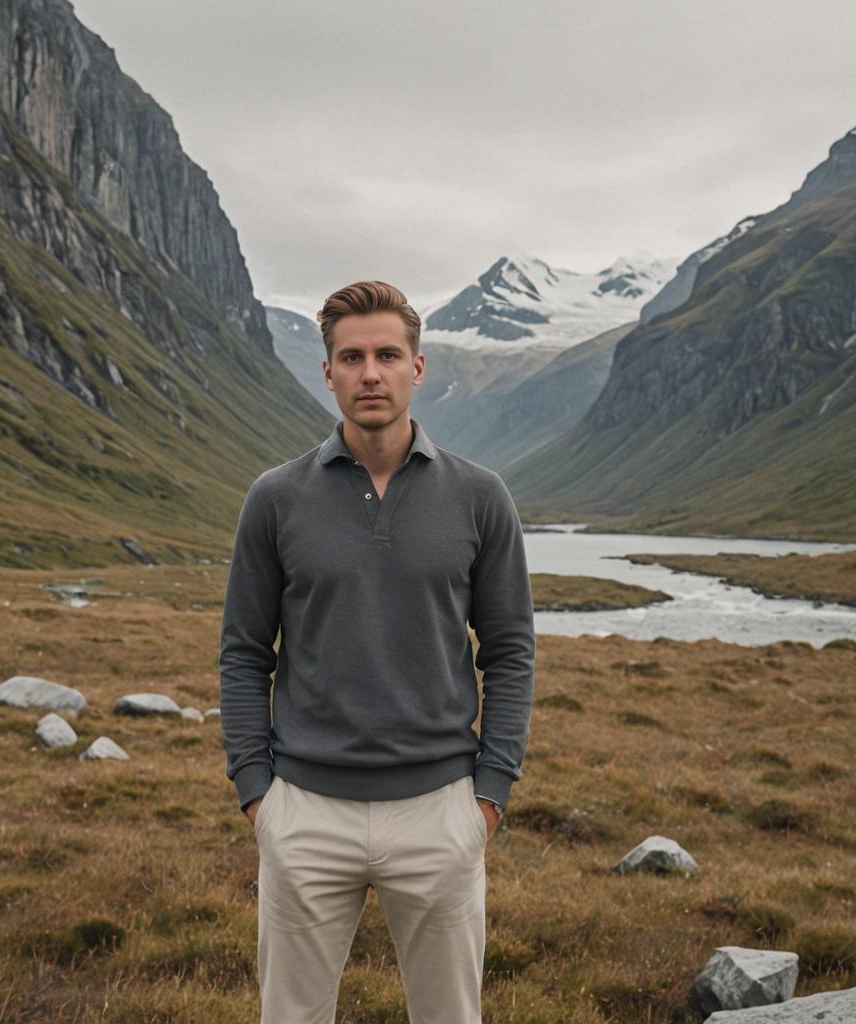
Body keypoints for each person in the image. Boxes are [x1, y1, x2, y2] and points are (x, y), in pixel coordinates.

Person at [219, 280, 535, 1024]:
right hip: (303, 812)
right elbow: (242, 652)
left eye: (388, 354)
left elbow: (511, 650)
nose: (371, 372)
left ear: (417, 368)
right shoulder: (275, 497)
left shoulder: (481, 497)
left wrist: (489, 795)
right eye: (351, 356)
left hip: (441, 812)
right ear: (326, 371)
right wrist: (258, 792)